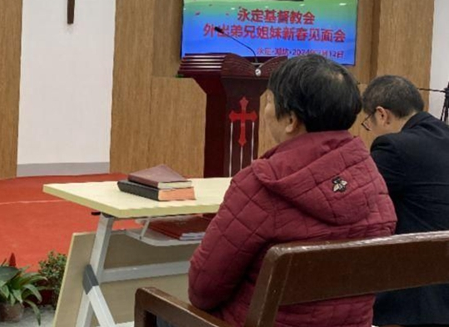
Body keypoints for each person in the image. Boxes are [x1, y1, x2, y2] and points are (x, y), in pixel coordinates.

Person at [187, 55, 396, 327]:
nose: (266, 109)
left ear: (290, 121)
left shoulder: (258, 186)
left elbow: (202, 291)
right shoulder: (373, 180)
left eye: (270, 101)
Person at [362, 75, 449, 327]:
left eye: (368, 123)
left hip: (418, 299)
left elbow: (356, 200)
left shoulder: (393, 147)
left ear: (382, 114)